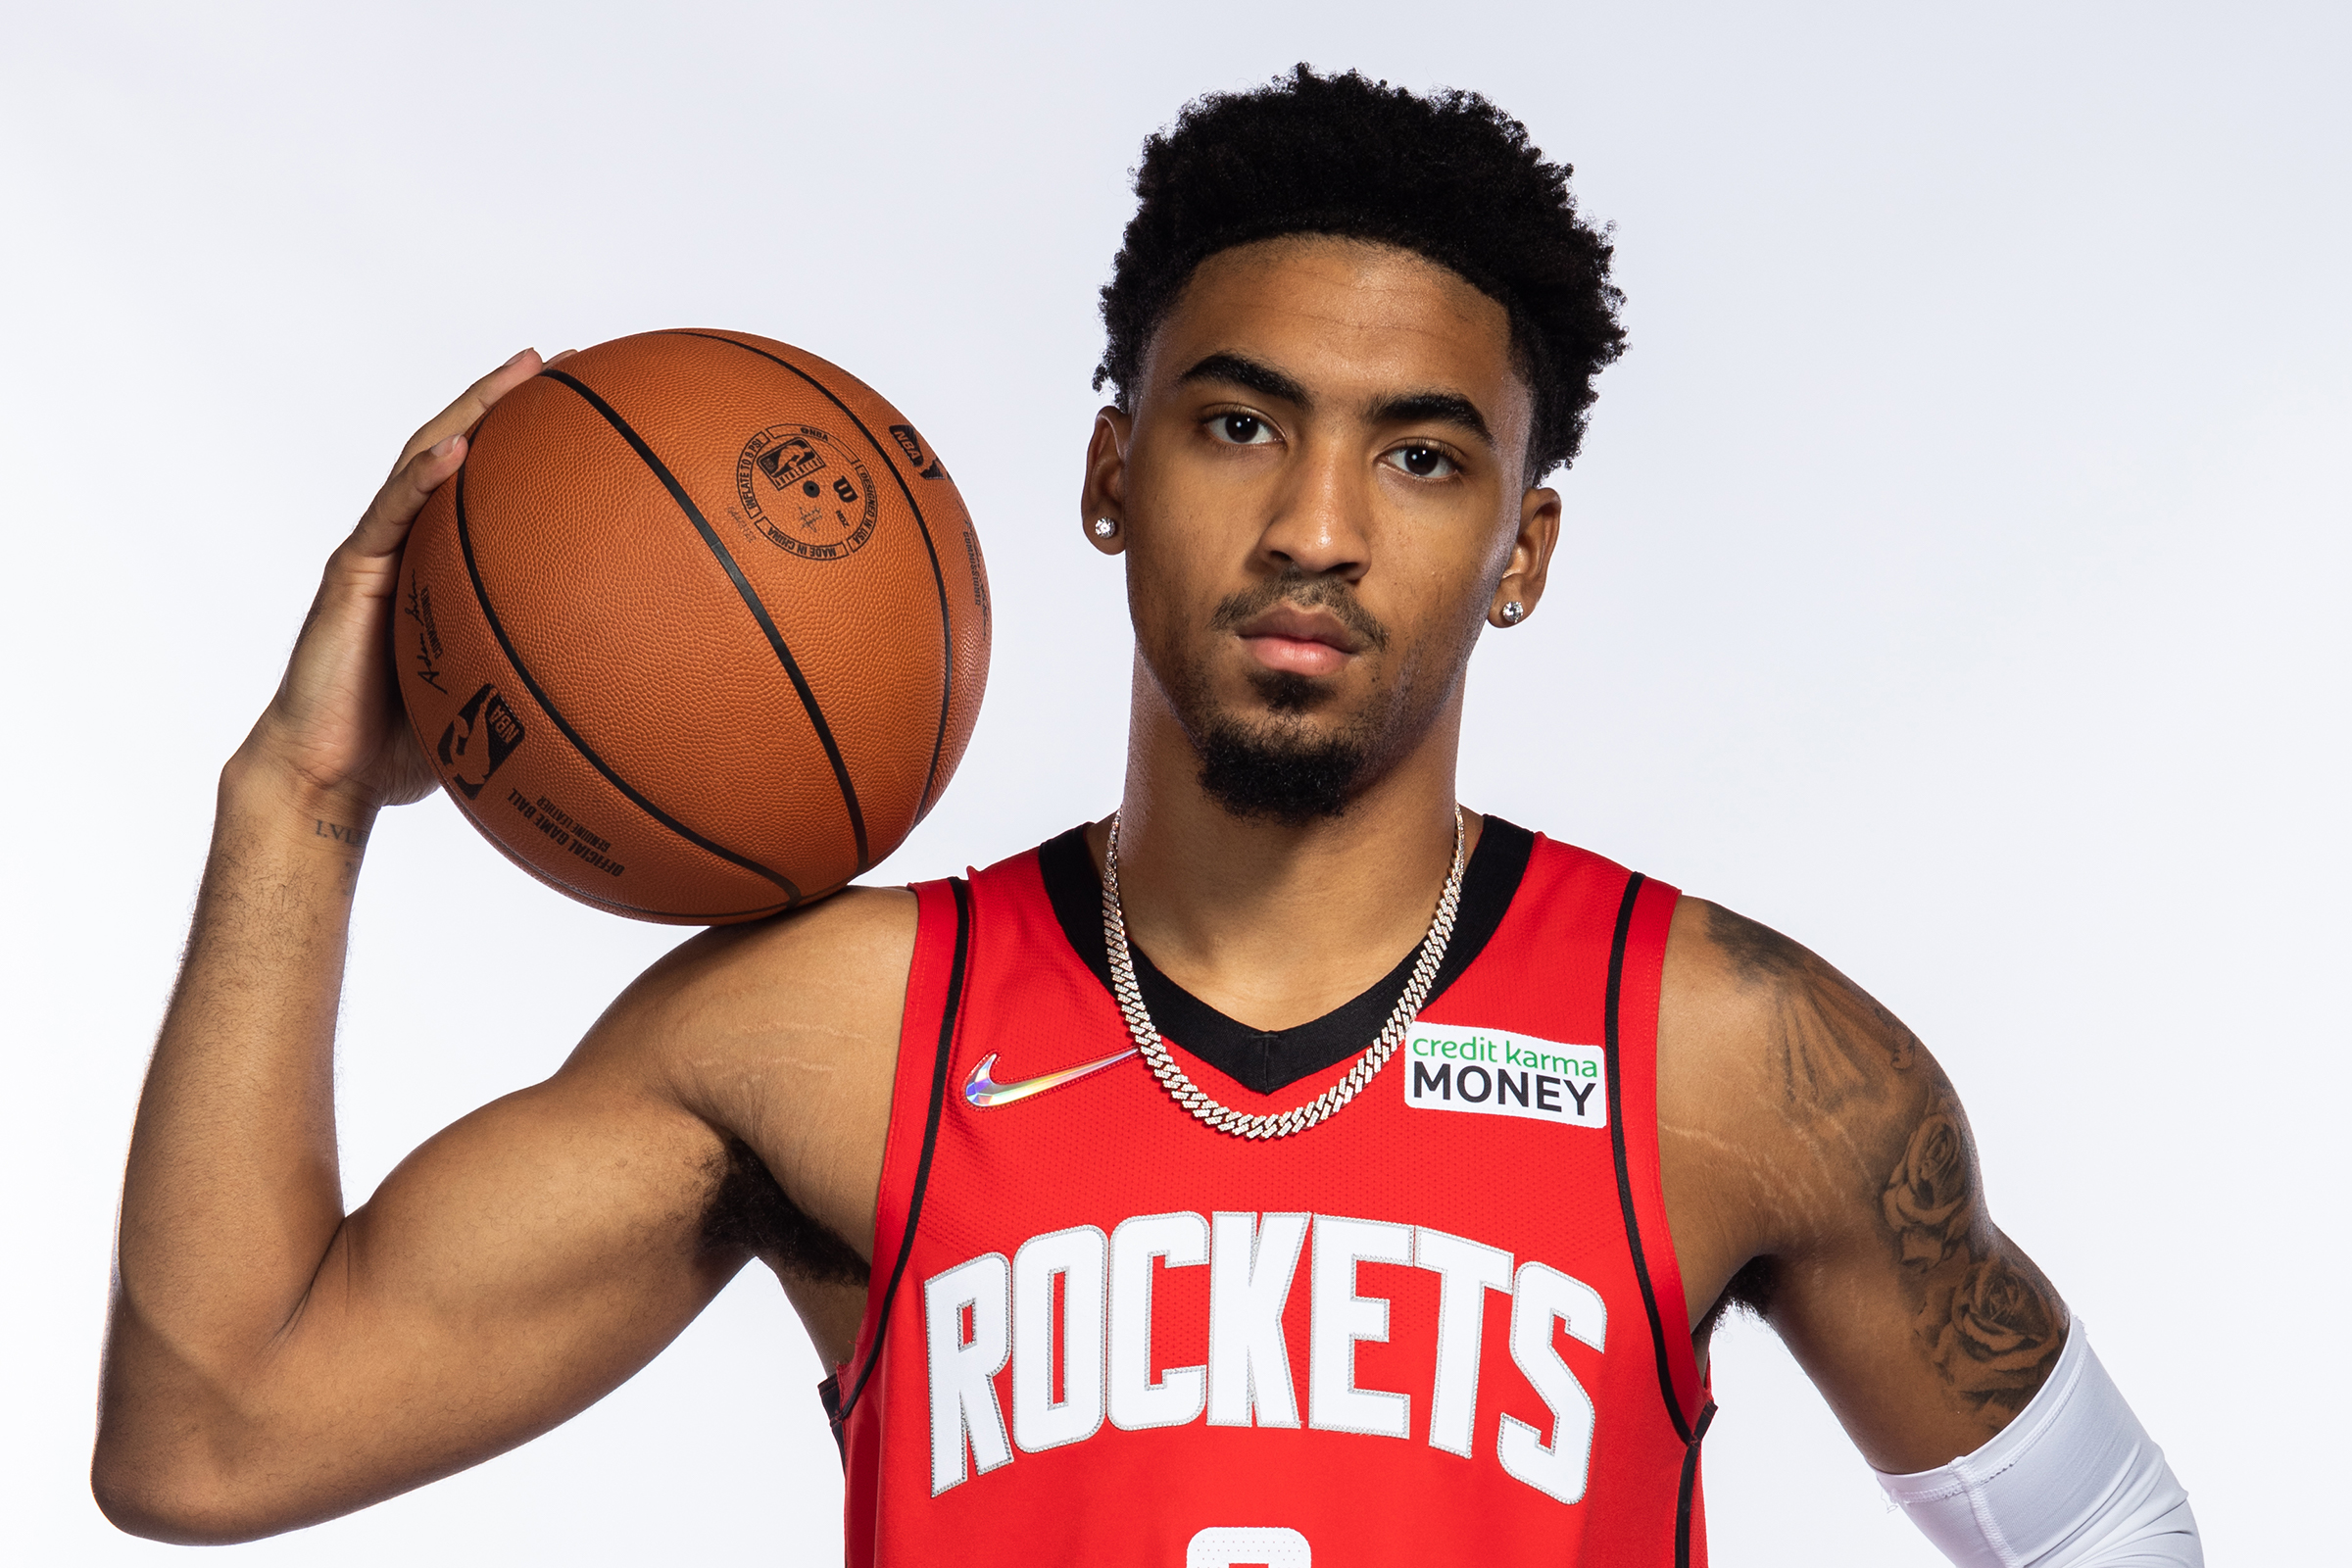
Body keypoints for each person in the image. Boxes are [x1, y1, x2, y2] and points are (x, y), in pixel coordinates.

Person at [93, 68, 2197, 1566]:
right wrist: (295, 808)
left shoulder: (1734, 1051)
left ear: (1526, 548)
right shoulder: (829, 1033)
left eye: (1424, 459)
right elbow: (208, 1435)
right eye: (1237, 422)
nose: (1314, 527)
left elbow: (2112, 1531)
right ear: (1111, 477)